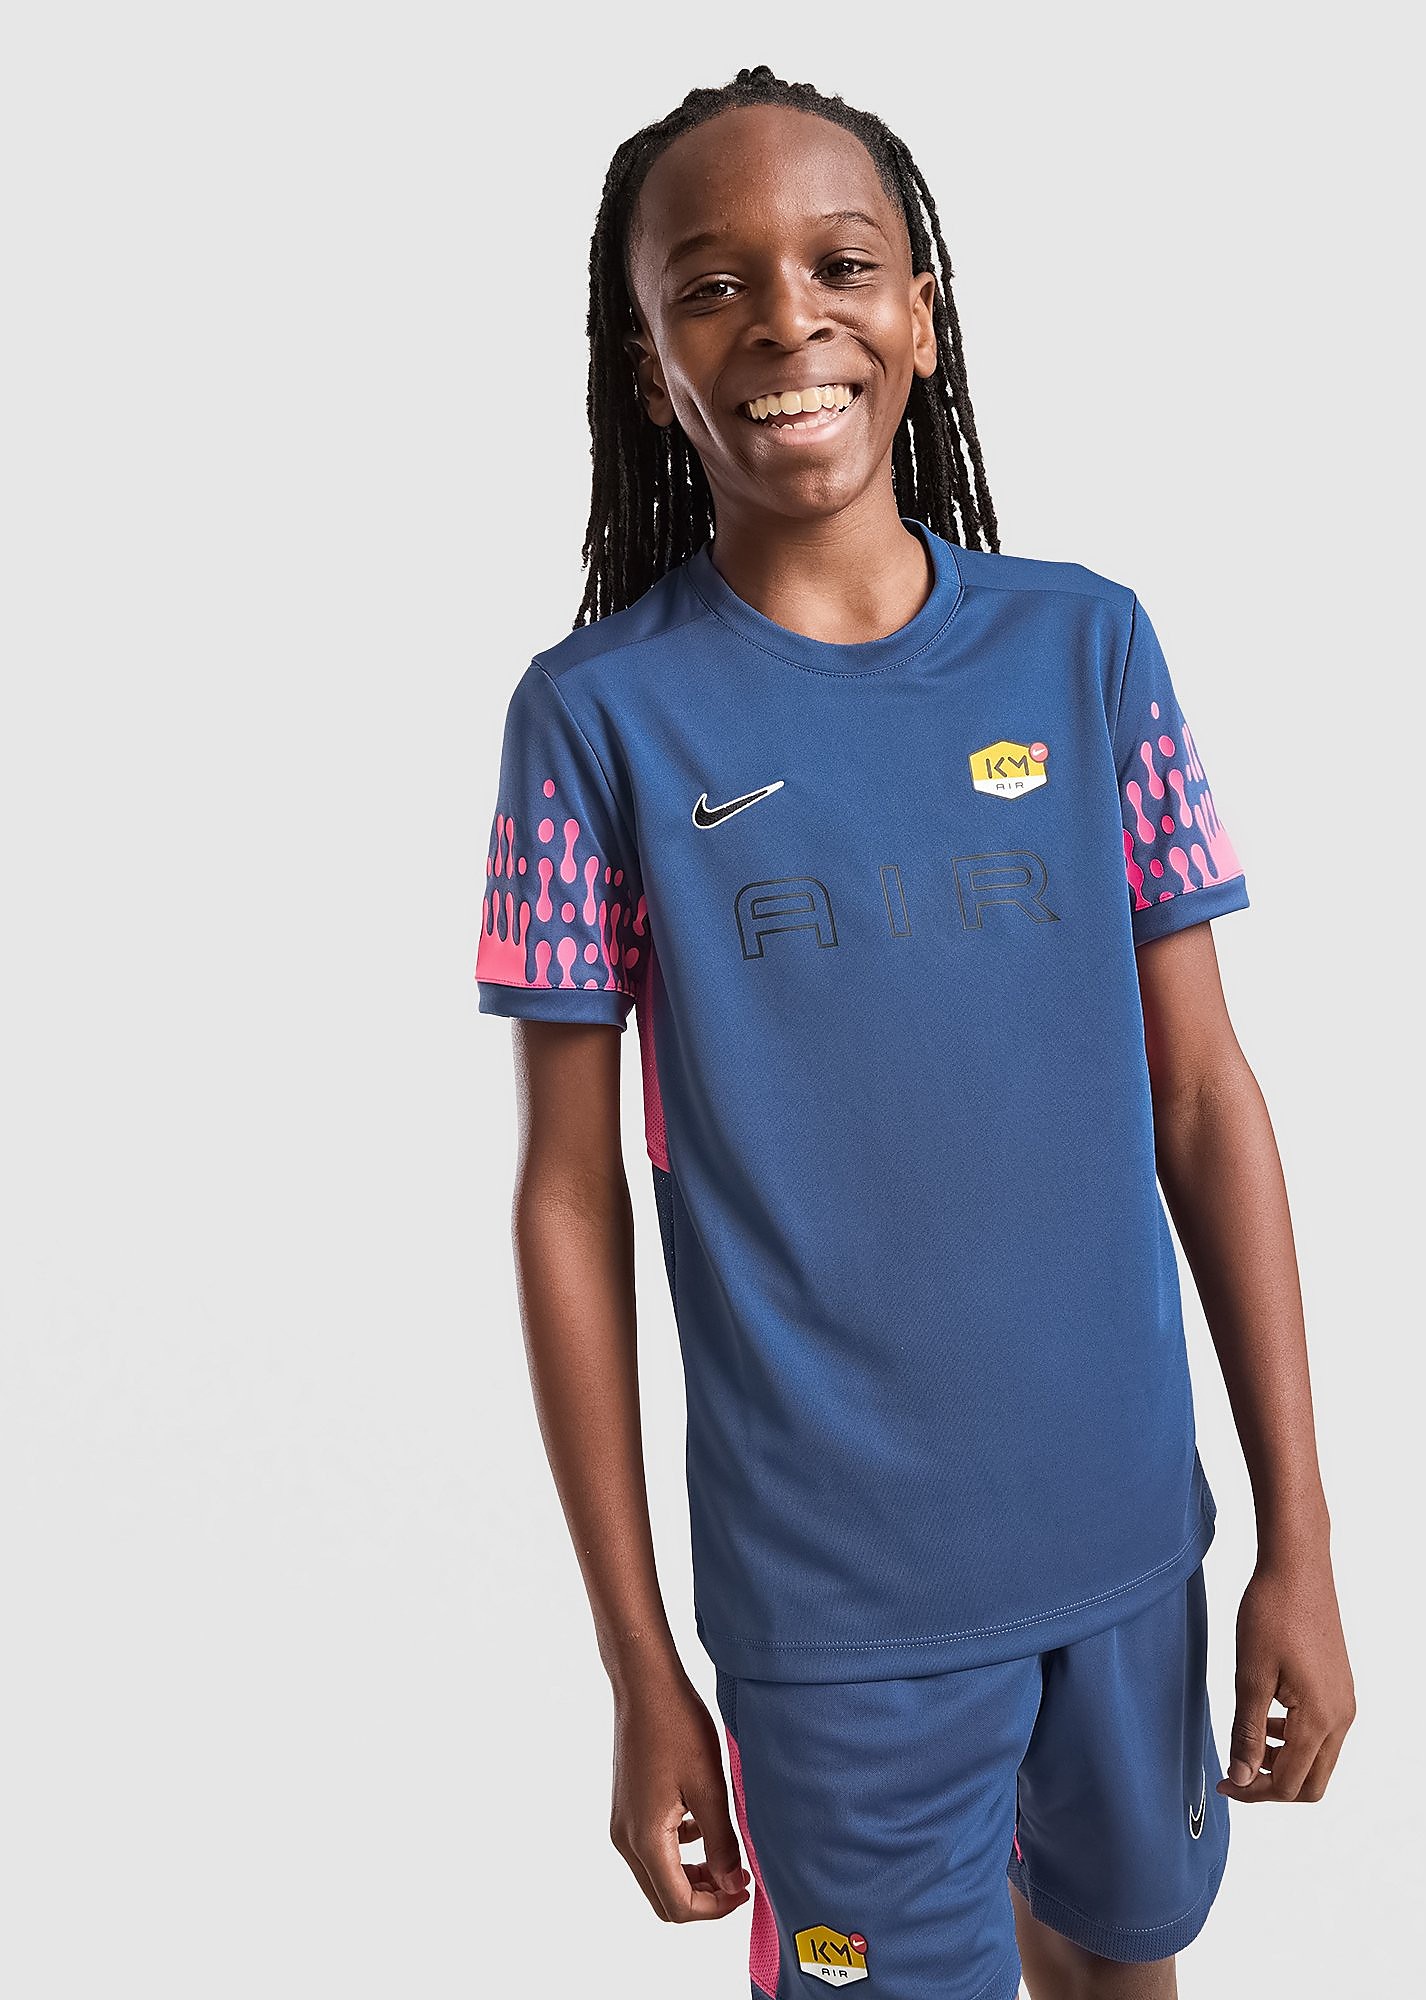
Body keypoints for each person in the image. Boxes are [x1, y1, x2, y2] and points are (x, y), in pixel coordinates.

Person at [473, 64, 1355, 2000]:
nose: (785, 318)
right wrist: (638, 1658)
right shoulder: (597, 722)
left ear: (923, 318)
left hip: (1129, 1544)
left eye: (841, 265)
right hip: (834, 1608)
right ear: (647, 370)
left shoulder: (1086, 646)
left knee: (1121, 1964)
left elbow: (1204, 1098)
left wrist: (1297, 1534)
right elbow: (566, 1200)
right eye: (711, 286)